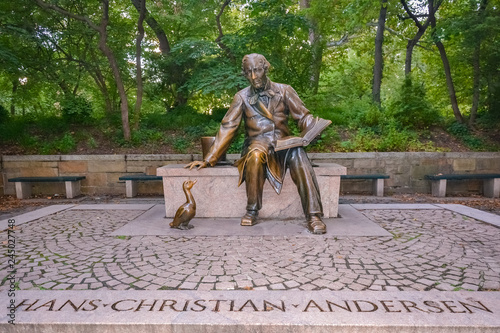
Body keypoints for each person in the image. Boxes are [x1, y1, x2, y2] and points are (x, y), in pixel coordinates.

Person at [186, 53, 327, 234]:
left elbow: (303, 117)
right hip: (257, 144)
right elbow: (228, 127)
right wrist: (209, 158)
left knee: (299, 153)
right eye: (249, 72)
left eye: (257, 71)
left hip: (283, 145)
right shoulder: (241, 97)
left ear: (265, 69)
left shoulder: (284, 90)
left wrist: (312, 128)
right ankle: (252, 209)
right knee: (254, 156)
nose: (253, 77)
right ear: (245, 74)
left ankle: (314, 215)